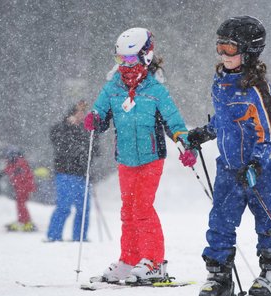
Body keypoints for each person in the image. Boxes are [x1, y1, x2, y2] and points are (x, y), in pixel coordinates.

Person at [84, 27, 197, 284]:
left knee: (143, 208)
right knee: (128, 211)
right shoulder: (112, 88)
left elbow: (174, 123)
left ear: (147, 56)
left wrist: (186, 145)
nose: (126, 65)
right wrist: (95, 120)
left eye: (131, 59)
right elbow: (100, 116)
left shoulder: (156, 90)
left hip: (151, 157)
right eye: (120, 59)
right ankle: (129, 260)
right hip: (125, 158)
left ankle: (154, 262)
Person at [188, 16, 271, 296]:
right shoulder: (221, 81)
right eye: (220, 46)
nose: (222, 54)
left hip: (263, 165)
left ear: (249, 51)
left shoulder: (258, 89)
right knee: (220, 220)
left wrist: (256, 162)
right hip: (230, 166)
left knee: (266, 221)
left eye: (230, 49)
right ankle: (220, 278)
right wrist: (206, 132)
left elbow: (269, 133)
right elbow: (225, 119)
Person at [46, 100, 99, 242]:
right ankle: (53, 236)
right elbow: (55, 136)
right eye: (78, 112)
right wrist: (67, 124)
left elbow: (95, 150)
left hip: (82, 175)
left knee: (84, 210)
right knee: (64, 207)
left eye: (83, 112)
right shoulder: (63, 128)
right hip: (65, 173)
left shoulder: (87, 130)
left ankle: (80, 237)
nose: (81, 115)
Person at [0, 146, 37, 232]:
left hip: (24, 187)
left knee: (21, 204)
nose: (8, 159)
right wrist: (3, 172)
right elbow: (9, 169)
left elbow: (23, 174)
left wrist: (23, 185)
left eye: (9, 157)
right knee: (20, 204)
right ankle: (23, 220)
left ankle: (26, 221)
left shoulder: (20, 163)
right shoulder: (13, 163)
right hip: (20, 187)